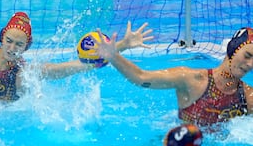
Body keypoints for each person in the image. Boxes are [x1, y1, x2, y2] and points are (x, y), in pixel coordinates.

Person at [0, 12, 154, 108]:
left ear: (26, 47)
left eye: (19, 44)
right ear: (1, 38)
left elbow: (64, 68)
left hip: (0, 123)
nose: (12, 48)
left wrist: (120, 46)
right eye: (9, 41)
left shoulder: (23, 72)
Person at [93, 27, 253, 128]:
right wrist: (113, 56)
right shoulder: (192, 79)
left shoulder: (248, 96)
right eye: (247, 55)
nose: (250, 63)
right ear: (231, 49)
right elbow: (141, 78)